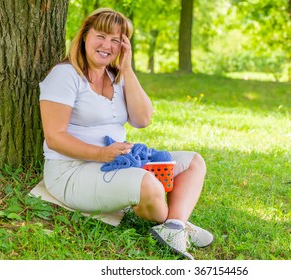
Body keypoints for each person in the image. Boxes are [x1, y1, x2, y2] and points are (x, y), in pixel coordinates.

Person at [39, 8, 213, 260]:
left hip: (117, 163)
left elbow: (143, 119)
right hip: (72, 171)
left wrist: (128, 69)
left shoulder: (116, 76)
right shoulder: (65, 75)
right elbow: (54, 136)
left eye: (116, 40)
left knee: (193, 163)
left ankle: (174, 226)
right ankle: (176, 220)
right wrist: (100, 153)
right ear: (85, 36)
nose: (107, 45)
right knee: (150, 186)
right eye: (101, 36)